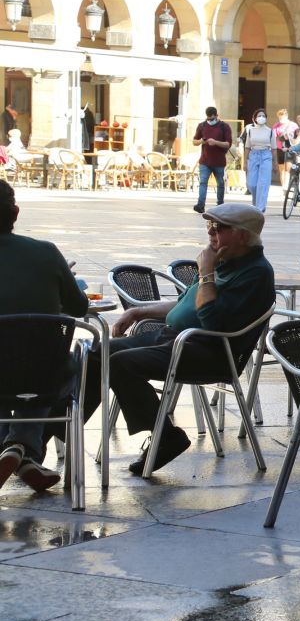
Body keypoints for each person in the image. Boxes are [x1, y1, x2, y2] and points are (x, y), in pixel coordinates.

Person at [82, 203, 275, 474]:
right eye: (209, 225)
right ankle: (46, 438)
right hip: (173, 338)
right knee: (97, 352)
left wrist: (206, 270)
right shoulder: (225, 260)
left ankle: (166, 437)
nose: (210, 232)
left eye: (219, 227)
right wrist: (139, 311)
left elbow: (211, 320)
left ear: (243, 235)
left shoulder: (255, 272)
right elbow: (186, 305)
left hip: (208, 351)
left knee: (120, 363)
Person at [0, 180, 88, 491]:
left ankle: (13, 449)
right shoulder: (47, 253)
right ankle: (23, 451)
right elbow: (80, 306)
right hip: (44, 375)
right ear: (15, 213)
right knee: (53, 363)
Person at [191, 106, 232, 214]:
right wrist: (201, 141)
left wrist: (215, 142)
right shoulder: (202, 126)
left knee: (220, 183)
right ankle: (200, 205)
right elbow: (194, 141)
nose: (210, 121)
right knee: (203, 182)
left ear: (217, 116)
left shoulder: (224, 127)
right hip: (205, 161)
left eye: (212, 119)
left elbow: (228, 143)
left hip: (219, 162)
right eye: (208, 119)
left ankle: (220, 204)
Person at [242, 109, 273, 212]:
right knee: (251, 184)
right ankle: (256, 202)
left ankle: (260, 207)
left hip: (266, 155)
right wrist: (245, 162)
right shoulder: (250, 130)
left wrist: (276, 163)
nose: (261, 117)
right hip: (254, 155)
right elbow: (247, 147)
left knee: (263, 183)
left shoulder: (270, 131)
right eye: (259, 116)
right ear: (255, 118)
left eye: (263, 116)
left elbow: (274, 148)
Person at [272, 108, 300, 184]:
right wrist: (282, 138)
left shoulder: (293, 125)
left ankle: (287, 186)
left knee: (288, 169)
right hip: (280, 149)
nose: (281, 119)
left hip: (290, 149)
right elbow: (273, 137)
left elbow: (298, 136)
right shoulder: (276, 125)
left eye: (282, 117)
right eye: (279, 117)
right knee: (282, 170)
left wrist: (292, 139)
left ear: (286, 116)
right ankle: (284, 188)